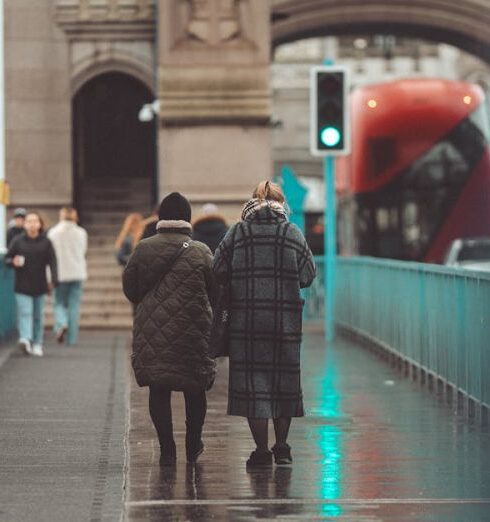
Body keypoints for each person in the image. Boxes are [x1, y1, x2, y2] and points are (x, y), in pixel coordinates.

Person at [213, 180, 316, 468]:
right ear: (282, 204)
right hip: (284, 321)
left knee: (253, 385)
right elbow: (308, 275)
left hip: (246, 322)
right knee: (284, 383)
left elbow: (217, 268)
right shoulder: (291, 232)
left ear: (252, 202)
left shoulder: (238, 232)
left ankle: (261, 451)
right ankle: (282, 447)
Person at [123, 192, 216, 466]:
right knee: (194, 387)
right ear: (187, 218)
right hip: (194, 330)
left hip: (153, 329)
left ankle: (167, 448)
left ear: (161, 217)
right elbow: (215, 289)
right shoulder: (201, 251)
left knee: (159, 387)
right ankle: (193, 444)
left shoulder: (143, 247)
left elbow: (130, 288)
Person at [5, 211, 58, 357]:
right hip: (22, 284)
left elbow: (53, 262)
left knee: (37, 316)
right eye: (29, 221)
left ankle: (37, 343)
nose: (32, 224)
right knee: (25, 313)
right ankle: (25, 339)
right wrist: (12, 261)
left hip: (40, 284)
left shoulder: (46, 242)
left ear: (40, 224)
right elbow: (8, 258)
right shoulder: (17, 241)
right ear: (25, 224)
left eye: (35, 221)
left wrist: (54, 280)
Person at [47, 207, 88, 346]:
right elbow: (83, 250)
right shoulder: (81, 232)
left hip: (60, 273)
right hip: (77, 272)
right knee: (74, 306)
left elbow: (50, 256)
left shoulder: (53, 233)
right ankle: (71, 339)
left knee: (59, 302)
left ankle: (61, 323)